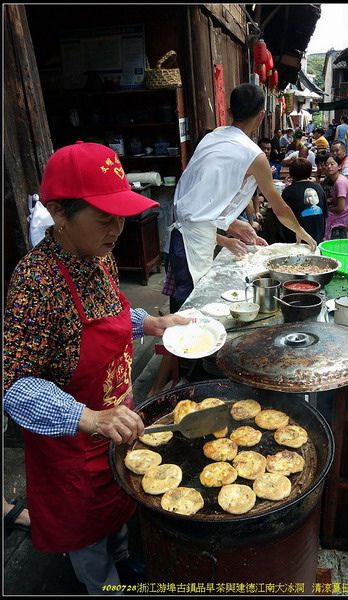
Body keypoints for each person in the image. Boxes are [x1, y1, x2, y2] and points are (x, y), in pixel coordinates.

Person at [3, 141, 191, 595]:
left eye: (121, 214)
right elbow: (13, 385)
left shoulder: (100, 256)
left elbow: (112, 314)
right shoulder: (35, 284)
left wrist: (153, 322)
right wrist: (91, 419)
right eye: (105, 217)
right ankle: (101, 584)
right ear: (60, 214)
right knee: (86, 532)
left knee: (118, 505)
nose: (118, 228)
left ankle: (124, 560)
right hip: (72, 439)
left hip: (116, 415)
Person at [166, 84, 317, 306]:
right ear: (261, 116)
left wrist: (232, 223)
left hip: (183, 233)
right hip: (193, 241)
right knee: (191, 306)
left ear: (229, 112)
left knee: (183, 301)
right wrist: (301, 231)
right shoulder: (254, 155)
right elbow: (279, 207)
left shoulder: (213, 136)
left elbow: (205, 196)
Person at [278, 157, 328, 245]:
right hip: (318, 233)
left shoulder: (288, 191)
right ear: (309, 172)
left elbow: (282, 215)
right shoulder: (319, 188)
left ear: (291, 173)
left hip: (295, 236)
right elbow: (325, 214)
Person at [323, 153, 348, 240]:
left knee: (322, 217)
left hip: (344, 213)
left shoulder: (340, 182)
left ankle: (324, 241)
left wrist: (328, 209)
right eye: (326, 164)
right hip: (345, 210)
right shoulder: (337, 179)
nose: (329, 167)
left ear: (339, 166)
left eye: (332, 164)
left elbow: (340, 208)